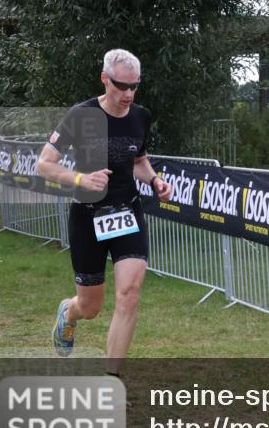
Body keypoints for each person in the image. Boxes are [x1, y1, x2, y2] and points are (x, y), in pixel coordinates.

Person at [37, 49, 173, 375]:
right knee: (91, 307)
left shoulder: (141, 116)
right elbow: (44, 164)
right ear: (104, 79)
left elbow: (138, 160)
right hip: (88, 216)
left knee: (129, 293)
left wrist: (154, 180)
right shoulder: (80, 115)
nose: (128, 94)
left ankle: (112, 380)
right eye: (121, 86)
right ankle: (69, 314)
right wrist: (82, 178)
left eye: (134, 87)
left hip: (127, 212)